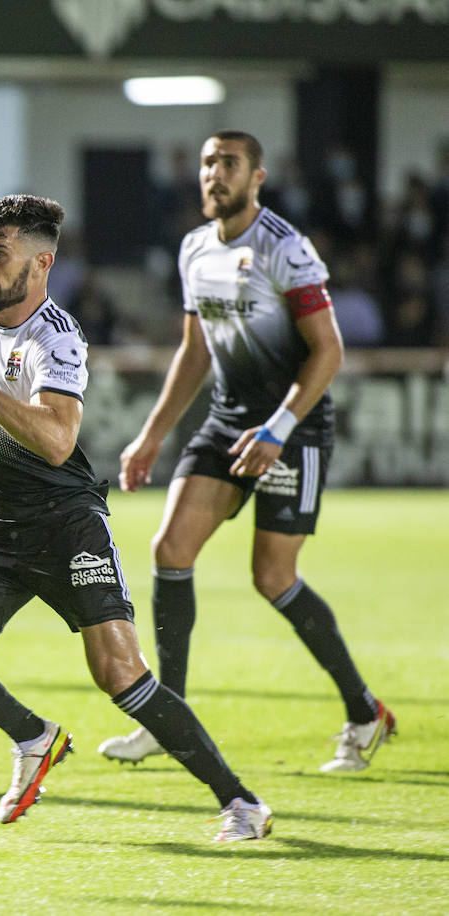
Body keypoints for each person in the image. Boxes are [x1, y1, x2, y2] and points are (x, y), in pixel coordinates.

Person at [0, 194, 272, 841]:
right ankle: (30, 736)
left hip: (66, 525)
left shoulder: (55, 335)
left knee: (120, 674)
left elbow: (59, 439)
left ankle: (241, 802)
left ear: (42, 262)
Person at [101, 130, 395, 774]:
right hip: (228, 422)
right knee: (169, 550)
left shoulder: (284, 248)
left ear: (257, 177)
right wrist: (151, 435)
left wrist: (280, 428)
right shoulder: (193, 249)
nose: (214, 174)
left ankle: (365, 712)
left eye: (229, 164)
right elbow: (195, 351)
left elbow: (329, 351)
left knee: (272, 577)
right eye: (207, 163)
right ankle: (165, 718)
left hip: (294, 427)